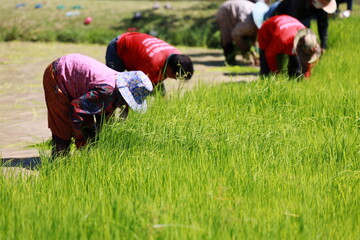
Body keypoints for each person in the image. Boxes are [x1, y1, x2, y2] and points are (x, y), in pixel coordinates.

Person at [43, 53, 153, 157]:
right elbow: (76, 108)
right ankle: (58, 161)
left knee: (90, 131)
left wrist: (100, 137)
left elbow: (101, 117)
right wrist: (79, 136)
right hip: (58, 75)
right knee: (63, 127)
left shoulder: (112, 90)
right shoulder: (107, 90)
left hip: (75, 80)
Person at [105, 32, 194, 94]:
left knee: (159, 92)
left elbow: (157, 82)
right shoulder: (151, 66)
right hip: (118, 46)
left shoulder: (176, 54)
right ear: (170, 68)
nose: (175, 79)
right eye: (176, 76)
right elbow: (133, 91)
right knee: (113, 86)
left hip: (134, 41)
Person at [270, 0, 337, 54]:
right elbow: (290, 25)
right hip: (279, 13)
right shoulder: (296, 3)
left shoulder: (321, 8)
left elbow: (323, 26)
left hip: (301, 17)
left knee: (305, 29)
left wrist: (323, 46)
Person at [216, 0, 260, 66]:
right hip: (225, 11)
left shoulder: (257, 14)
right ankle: (230, 61)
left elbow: (255, 39)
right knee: (227, 37)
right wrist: (246, 48)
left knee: (248, 37)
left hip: (238, 10)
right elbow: (235, 34)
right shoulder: (248, 24)